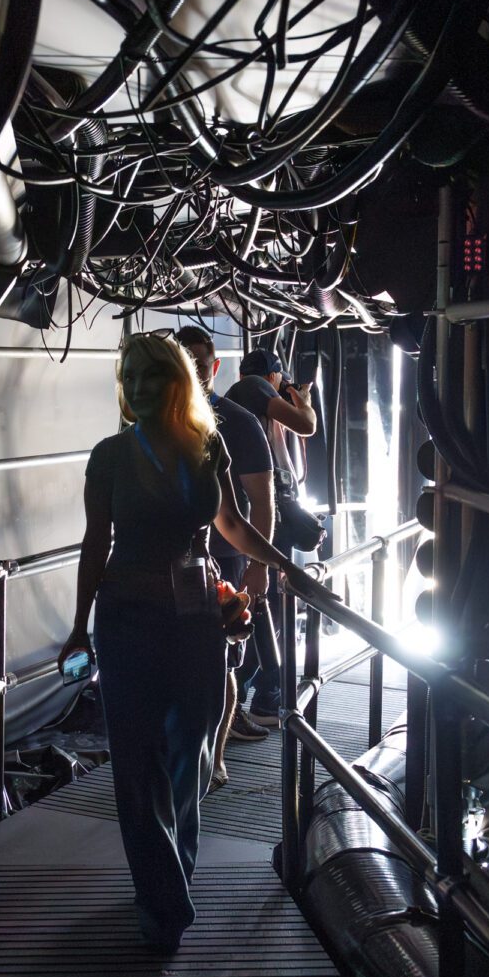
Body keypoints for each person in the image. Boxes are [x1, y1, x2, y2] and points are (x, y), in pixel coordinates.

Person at [57, 332, 325, 955]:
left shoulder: (208, 446)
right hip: (128, 620)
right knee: (138, 762)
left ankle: (170, 872)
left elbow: (232, 524)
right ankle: (164, 902)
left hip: (197, 617)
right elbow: (95, 544)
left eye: (152, 376)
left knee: (194, 754)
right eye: (131, 378)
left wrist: (283, 565)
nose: (140, 387)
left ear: (177, 382)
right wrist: (77, 626)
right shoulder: (109, 456)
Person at [175, 325, 274, 792]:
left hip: (227, 559)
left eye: (201, 362)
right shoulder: (157, 423)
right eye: (185, 362)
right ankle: (188, 756)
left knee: (223, 662)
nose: (195, 371)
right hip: (174, 564)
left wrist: (262, 564)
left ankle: (214, 759)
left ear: (215, 366)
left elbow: (261, 503)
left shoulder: (238, 423)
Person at [226, 348, 317, 725]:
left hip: (262, 513)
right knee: (264, 607)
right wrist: (303, 399)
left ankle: (260, 690)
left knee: (267, 608)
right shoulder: (255, 387)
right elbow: (306, 425)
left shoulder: (243, 396)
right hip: (262, 515)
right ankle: (260, 693)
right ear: (273, 376)